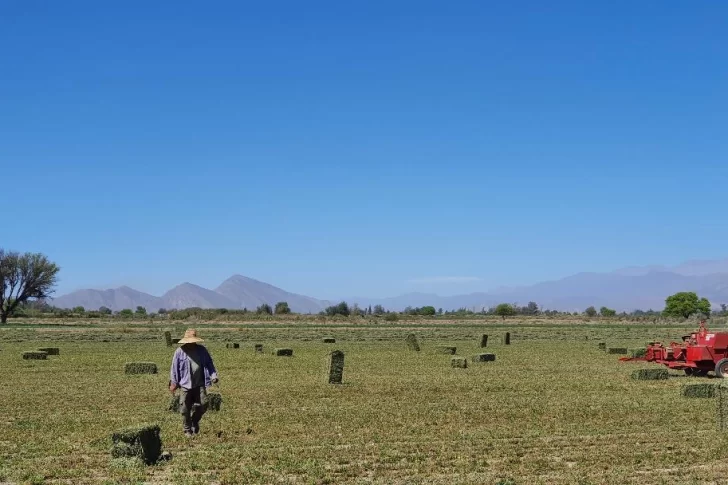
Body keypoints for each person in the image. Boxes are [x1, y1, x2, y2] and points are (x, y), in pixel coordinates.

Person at [169, 329, 219, 437]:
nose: (191, 343)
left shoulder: (202, 350)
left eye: (193, 341)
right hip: (185, 385)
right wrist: (173, 383)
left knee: (204, 404)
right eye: (189, 341)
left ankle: (194, 420)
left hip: (199, 383)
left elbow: (209, 363)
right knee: (184, 408)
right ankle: (187, 429)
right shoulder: (179, 352)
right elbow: (174, 369)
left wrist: (213, 375)